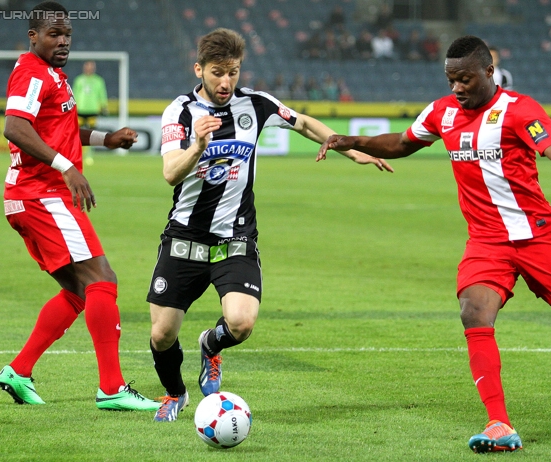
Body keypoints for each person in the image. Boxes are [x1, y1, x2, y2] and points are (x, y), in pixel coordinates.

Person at [318, 35, 551, 453]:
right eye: (451, 79)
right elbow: (402, 143)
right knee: (474, 311)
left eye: (465, 79)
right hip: (486, 242)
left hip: (539, 236)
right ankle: (499, 424)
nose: (457, 88)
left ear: (488, 72)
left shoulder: (519, 110)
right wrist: (353, 141)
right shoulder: (442, 112)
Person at [147, 27, 392, 422]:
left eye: (233, 72)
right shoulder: (179, 112)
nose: (226, 82)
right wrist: (196, 147)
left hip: (236, 236)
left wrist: (352, 149)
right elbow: (170, 174)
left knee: (241, 323)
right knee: (161, 335)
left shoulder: (256, 105)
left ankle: (210, 346)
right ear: (199, 69)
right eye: (216, 73)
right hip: (185, 237)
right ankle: (175, 394)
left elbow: (306, 123)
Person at [0, 1, 159, 412]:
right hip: (42, 195)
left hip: (30, 197)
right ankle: (112, 388)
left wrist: (107, 138)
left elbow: (62, 130)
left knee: (78, 291)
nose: (63, 41)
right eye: (54, 34)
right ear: (34, 36)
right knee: (101, 279)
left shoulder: (54, 76)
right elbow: (15, 128)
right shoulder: (33, 73)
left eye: (67, 34)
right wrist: (66, 167)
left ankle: (19, 370)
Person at [72, 60, 109, 165]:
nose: (89, 68)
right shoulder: (79, 80)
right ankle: (77, 155)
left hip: (93, 110)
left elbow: (102, 94)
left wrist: (104, 106)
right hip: (80, 110)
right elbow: (74, 94)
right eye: (88, 66)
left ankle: (89, 156)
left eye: (92, 66)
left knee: (92, 134)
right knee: (77, 134)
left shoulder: (98, 81)